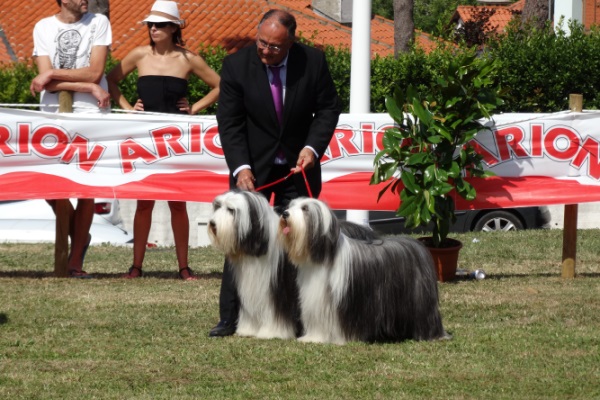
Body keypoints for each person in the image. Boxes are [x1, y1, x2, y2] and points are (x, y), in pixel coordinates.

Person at [210, 9, 341, 336]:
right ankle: (231, 318)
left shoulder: (313, 62)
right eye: (262, 42)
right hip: (252, 171)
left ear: (291, 42)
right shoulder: (236, 66)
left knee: (299, 243)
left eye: (274, 46)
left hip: (298, 172)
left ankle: (298, 317)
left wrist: (312, 148)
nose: (265, 50)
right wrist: (241, 167)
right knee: (239, 240)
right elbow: (230, 123)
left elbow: (328, 108)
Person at [106, 0, 220, 281]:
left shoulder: (188, 59)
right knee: (144, 203)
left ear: (173, 28)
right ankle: (136, 267)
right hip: (145, 138)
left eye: (159, 25)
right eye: (150, 25)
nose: (153, 29)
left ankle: (183, 267)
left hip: (176, 139)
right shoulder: (139, 54)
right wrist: (128, 107)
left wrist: (194, 108)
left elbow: (221, 86)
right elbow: (110, 79)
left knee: (177, 203)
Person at [30, 0, 113, 278]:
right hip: (52, 115)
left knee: (87, 185)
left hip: (91, 113)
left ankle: (75, 260)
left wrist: (53, 73)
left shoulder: (98, 22)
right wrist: (87, 85)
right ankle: (81, 236)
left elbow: (95, 71)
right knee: (49, 185)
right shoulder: (43, 26)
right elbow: (51, 83)